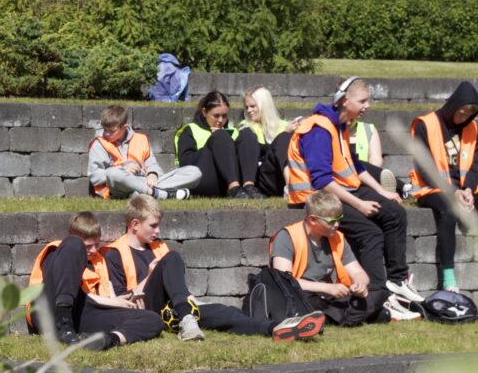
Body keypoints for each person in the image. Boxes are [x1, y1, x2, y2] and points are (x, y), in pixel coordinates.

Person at [102, 195, 326, 342]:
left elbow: (176, 286)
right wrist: (151, 275)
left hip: (175, 308)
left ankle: (277, 328)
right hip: (148, 310)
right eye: (153, 226)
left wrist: (191, 300)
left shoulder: (158, 247)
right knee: (172, 258)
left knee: (226, 313)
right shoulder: (115, 253)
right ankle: (188, 319)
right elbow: (123, 301)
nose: (158, 231)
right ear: (134, 225)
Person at [286, 76, 424, 307]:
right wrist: (359, 205)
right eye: (362, 101)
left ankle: (397, 280)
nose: (367, 106)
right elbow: (321, 180)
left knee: (395, 213)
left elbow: (355, 166)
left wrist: (382, 192)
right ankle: (377, 295)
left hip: (339, 190)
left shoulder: (341, 125)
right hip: (316, 198)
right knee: (370, 233)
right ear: (344, 101)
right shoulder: (319, 129)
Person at [410, 81, 478, 314]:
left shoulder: (473, 128)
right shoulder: (425, 125)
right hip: (432, 188)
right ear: (453, 105)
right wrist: (452, 192)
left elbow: (476, 166)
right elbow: (424, 167)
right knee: (448, 212)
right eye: (462, 111)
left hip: (467, 190)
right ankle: (449, 284)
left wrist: (467, 189)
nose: (464, 117)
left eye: (470, 113)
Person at [27, 211, 164, 350]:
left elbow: (110, 296)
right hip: (49, 307)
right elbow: (63, 287)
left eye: (97, 244)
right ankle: (63, 323)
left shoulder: (100, 261)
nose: (93, 250)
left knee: (152, 319)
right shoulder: (59, 251)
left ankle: (105, 340)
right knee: (74, 244)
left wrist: (124, 303)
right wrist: (111, 302)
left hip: (81, 313)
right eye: (87, 246)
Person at [270, 191, 410, 325]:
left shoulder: (337, 238)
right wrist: (327, 288)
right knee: (311, 304)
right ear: (312, 220)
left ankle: (333, 317)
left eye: (339, 219)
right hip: (299, 295)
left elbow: (358, 272)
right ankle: (362, 315)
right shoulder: (287, 237)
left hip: (327, 298)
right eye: (332, 221)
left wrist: (360, 284)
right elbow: (283, 281)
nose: (336, 225)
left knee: (380, 292)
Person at [88, 105, 201, 200]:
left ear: (124, 127)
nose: (106, 134)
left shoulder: (140, 139)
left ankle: (142, 193)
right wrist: (122, 169)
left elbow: (152, 165)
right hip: (119, 185)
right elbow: (95, 176)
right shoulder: (98, 144)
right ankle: (157, 194)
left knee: (194, 172)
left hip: (143, 181)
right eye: (105, 129)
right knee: (113, 173)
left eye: (111, 131)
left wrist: (153, 174)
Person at [175, 90, 264, 198]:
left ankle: (249, 186)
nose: (220, 120)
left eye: (224, 116)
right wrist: (214, 143)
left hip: (229, 179)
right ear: (204, 112)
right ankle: (233, 188)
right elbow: (186, 163)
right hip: (203, 179)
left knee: (247, 133)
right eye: (216, 116)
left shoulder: (233, 131)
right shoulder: (190, 130)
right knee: (220, 135)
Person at [238, 85, 302, 197]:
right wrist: (285, 134)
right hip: (262, 178)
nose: (249, 110)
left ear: (264, 105)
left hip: (278, 177)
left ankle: (295, 184)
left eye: (253, 106)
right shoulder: (245, 128)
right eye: (247, 107)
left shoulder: (285, 125)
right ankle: (291, 188)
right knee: (283, 137)